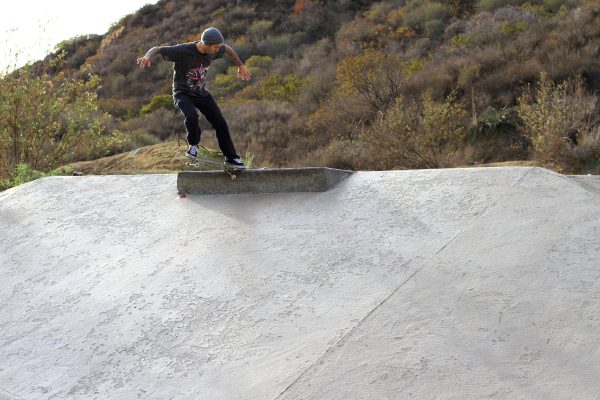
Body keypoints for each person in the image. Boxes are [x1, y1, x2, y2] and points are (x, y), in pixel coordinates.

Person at [136, 27, 251, 168]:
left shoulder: (216, 48)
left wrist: (240, 65)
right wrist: (147, 56)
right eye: (215, 47)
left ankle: (231, 157)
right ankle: (193, 146)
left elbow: (227, 49)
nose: (217, 50)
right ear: (206, 45)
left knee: (220, 123)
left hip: (201, 93)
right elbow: (157, 49)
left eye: (218, 47)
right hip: (182, 93)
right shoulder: (182, 51)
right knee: (192, 116)